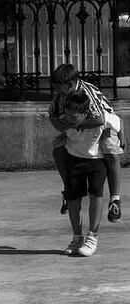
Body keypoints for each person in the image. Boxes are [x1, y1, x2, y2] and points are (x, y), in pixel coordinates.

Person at [48, 63, 124, 222]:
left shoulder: (88, 93)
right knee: (58, 150)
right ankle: (68, 190)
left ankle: (115, 200)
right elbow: (52, 117)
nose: (56, 91)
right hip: (76, 126)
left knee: (111, 150)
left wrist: (77, 125)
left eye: (58, 88)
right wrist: (62, 126)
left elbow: (101, 119)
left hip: (100, 127)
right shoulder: (60, 95)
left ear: (69, 85)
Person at [61, 90, 120, 256]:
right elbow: (57, 125)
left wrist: (122, 138)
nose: (69, 120)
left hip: (96, 160)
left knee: (96, 195)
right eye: (67, 115)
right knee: (73, 200)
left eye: (74, 117)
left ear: (85, 114)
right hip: (73, 160)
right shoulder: (64, 120)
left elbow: (117, 121)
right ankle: (77, 237)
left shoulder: (101, 119)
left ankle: (92, 236)